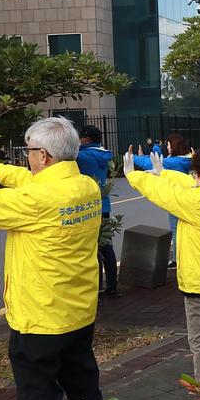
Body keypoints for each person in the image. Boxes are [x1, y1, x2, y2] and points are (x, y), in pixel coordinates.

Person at [0, 120, 104, 400]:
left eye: (29, 151)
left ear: (43, 156)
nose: (27, 158)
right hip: (78, 313)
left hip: (40, 319)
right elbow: (35, 184)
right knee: (85, 391)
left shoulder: (36, 200)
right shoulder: (86, 186)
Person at [124, 148, 200, 382]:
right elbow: (186, 183)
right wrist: (164, 173)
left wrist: (134, 176)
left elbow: (163, 193)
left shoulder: (194, 202)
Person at [133, 133, 192, 265]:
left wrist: (132, 157)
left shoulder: (174, 162)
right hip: (186, 196)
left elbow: (150, 163)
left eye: (169, 144)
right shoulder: (186, 159)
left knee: (176, 229)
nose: (167, 147)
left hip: (175, 197)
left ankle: (178, 259)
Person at [76, 125, 118, 297]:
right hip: (104, 205)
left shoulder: (83, 156)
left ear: (87, 139)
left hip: (88, 206)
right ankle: (112, 285)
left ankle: (96, 286)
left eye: (80, 137)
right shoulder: (103, 153)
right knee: (106, 246)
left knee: (91, 248)